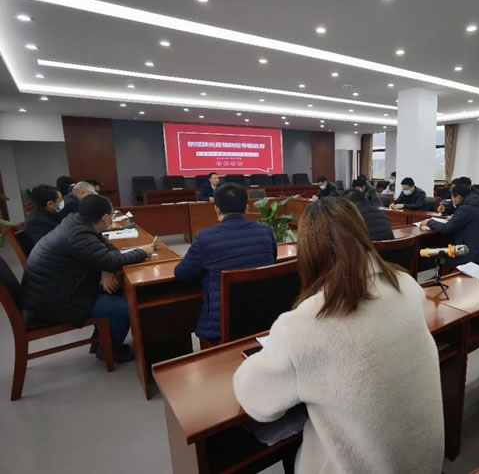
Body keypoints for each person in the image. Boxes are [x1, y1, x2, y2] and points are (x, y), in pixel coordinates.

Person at [233, 198, 444, 473]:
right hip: (425, 462)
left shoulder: (305, 323)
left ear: (307, 251)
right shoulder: (407, 285)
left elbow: (256, 401)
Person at [22, 195, 155, 362]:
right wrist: (143, 252)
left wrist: (106, 267)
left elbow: (107, 250)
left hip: (54, 289)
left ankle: (102, 341)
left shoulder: (77, 222)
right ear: (106, 218)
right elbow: (113, 260)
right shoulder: (78, 234)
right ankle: (110, 351)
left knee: (116, 288)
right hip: (53, 301)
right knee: (125, 308)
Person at [175, 183, 277, 346]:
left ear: (216, 209)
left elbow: (181, 273)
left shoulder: (205, 238)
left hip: (222, 327)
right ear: (246, 208)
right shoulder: (265, 231)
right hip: (266, 318)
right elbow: (273, 259)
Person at [421, 184, 479, 264]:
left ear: (458, 197)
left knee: (435, 245)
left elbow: (447, 228)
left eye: (452, 198)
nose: (452, 200)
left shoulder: (466, 208)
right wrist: (454, 218)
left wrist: (429, 222)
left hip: (467, 253)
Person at [23, 184, 63, 250]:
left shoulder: (53, 212)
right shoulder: (35, 223)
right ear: (50, 204)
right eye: (60, 199)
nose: (62, 201)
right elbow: (54, 244)